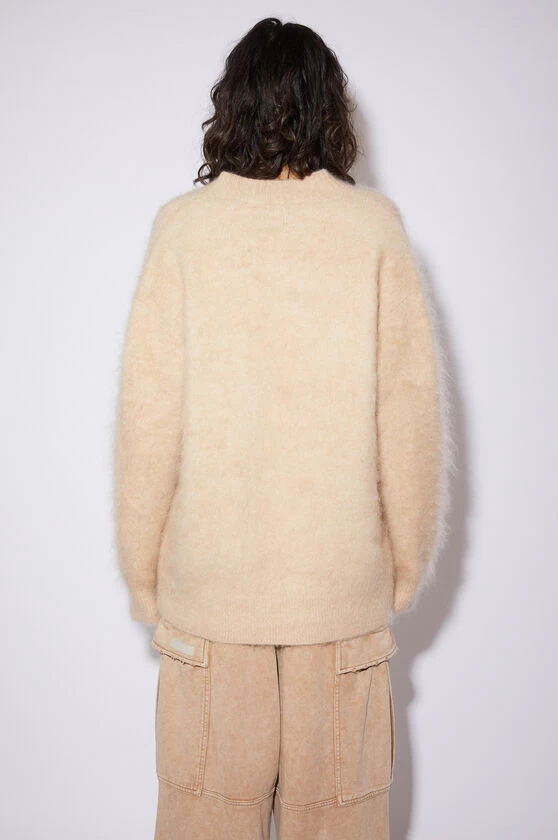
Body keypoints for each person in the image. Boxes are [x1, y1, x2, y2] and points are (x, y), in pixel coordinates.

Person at [113, 16, 449, 840]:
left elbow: (148, 420)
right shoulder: (373, 230)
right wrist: (402, 570)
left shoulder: (184, 230)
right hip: (339, 603)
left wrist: (144, 576)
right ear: (330, 107)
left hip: (210, 603)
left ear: (232, 105)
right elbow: (409, 419)